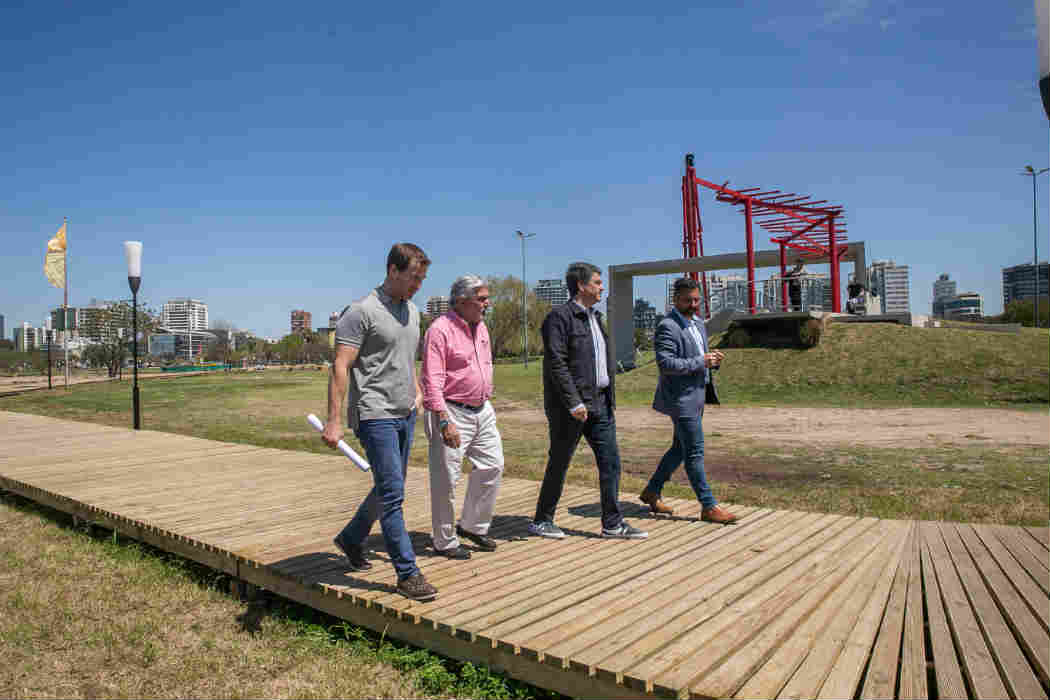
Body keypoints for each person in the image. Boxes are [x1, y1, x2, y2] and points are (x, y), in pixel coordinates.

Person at [321, 242, 437, 602]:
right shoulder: (361, 312)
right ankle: (407, 573)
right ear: (392, 270)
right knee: (392, 494)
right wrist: (334, 420)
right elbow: (341, 366)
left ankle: (352, 538)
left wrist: (417, 390)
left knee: (390, 486)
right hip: (374, 414)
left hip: (405, 412)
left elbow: (405, 358)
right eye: (413, 278)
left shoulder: (412, 311)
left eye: (422, 279)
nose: (418, 285)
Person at [529, 262, 648, 540]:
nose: (602, 287)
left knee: (611, 463)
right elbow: (556, 363)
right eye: (597, 282)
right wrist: (573, 402)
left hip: (600, 404)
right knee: (560, 462)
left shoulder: (596, 317)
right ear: (581, 286)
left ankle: (612, 524)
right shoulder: (559, 318)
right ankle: (542, 520)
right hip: (570, 408)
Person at [640, 276, 738, 524]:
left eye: (696, 300)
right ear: (675, 299)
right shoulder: (667, 326)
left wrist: (712, 361)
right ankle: (708, 506)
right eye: (688, 301)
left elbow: (698, 358)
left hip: (697, 396)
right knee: (694, 452)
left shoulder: (699, 324)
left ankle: (652, 490)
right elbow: (666, 364)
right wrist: (701, 361)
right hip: (680, 399)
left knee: (679, 449)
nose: (693, 305)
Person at [421, 275, 504, 559]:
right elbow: (431, 380)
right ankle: (444, 541)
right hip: (451, 411)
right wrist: (444, 420)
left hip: (482, 409)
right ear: (461, 301)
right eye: (481, 299)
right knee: (447, 479)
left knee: (493, 466)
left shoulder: (481, 327)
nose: (487, 303)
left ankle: (472, 526)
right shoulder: (439, 330)